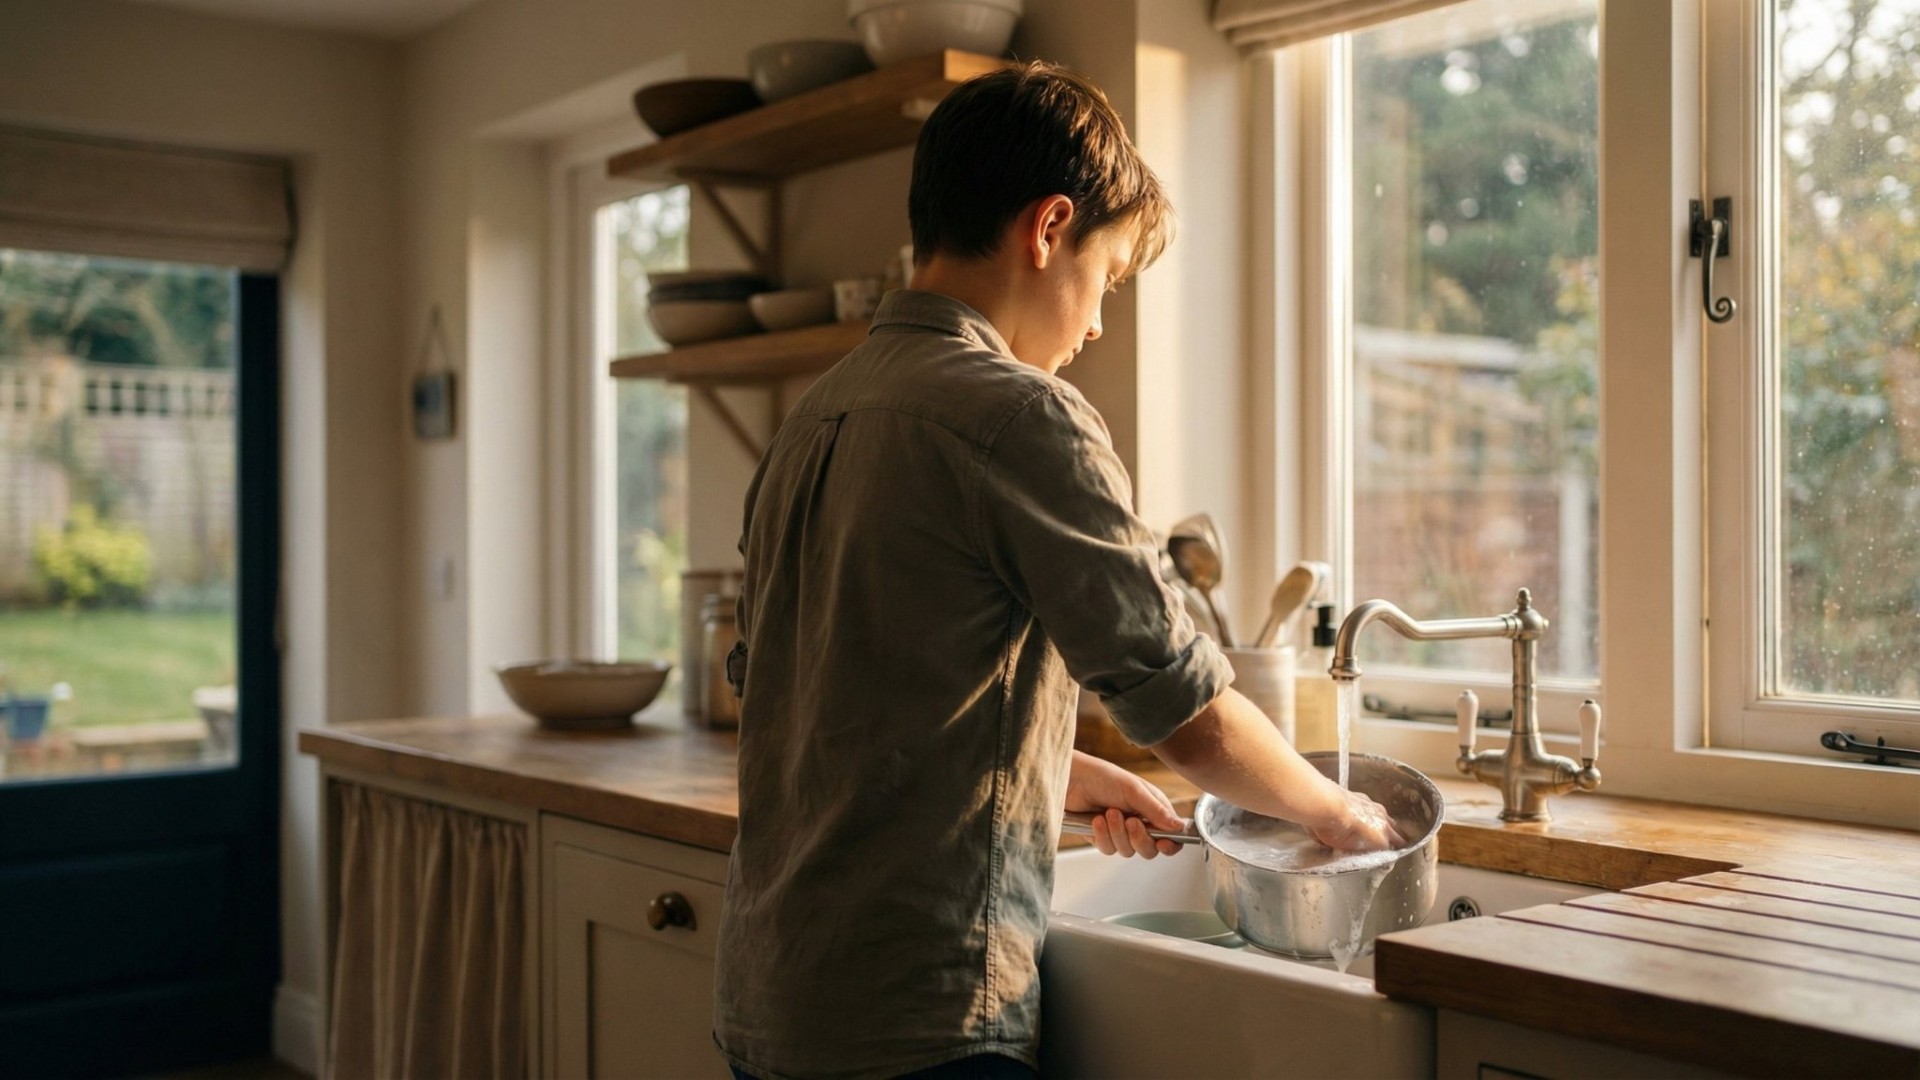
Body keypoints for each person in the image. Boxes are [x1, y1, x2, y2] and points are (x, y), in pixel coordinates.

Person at [713, 61, 1403, 1080]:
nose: (1095, 326)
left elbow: (824, 705)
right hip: (922, 1018)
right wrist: (1345, 818)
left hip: (774, 1002)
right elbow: (1194, 716)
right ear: (1048, 229)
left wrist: (1055, 776)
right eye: (1109, 277)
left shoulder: (813, 417)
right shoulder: (1020, 416)